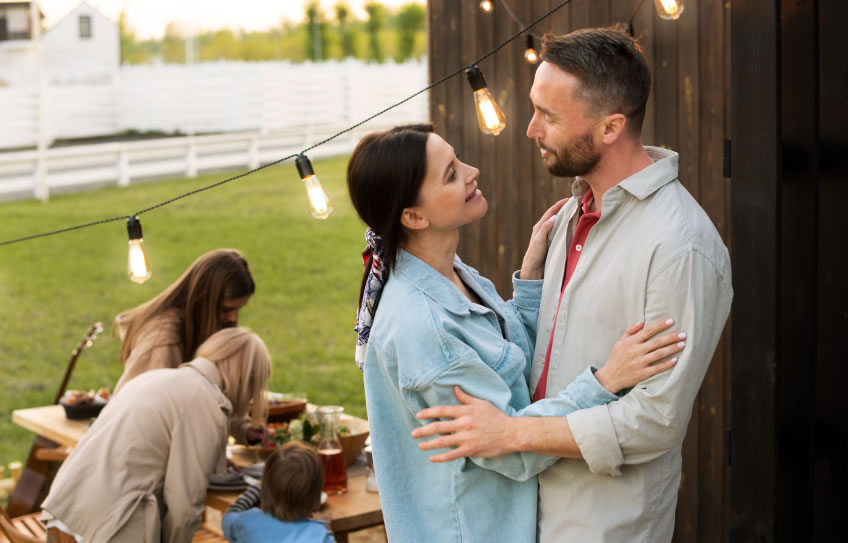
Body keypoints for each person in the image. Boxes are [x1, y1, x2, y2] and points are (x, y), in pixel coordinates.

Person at [411, 27, 734, 542]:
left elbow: (654, 420)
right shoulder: (572, 213)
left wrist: (511, 433)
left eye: (550, 116)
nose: (531, 129)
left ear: (610, 127)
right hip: (525, 514)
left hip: (600, 526)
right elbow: (550, 360)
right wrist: (534, 282)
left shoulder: (679, 247)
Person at [347, 123, 687, 542]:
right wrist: (606, 380)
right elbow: (513, 450)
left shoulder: (451, 276)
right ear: (414, 216)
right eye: (451, 174)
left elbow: (508, 368)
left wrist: (529, 283)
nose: (472, 171)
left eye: (458, 160)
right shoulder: (424, 329)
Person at [41, 327, 271, 543]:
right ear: (246, 378)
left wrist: (239, 429)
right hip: (111, 525)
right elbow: (184, 507)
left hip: (67, 511)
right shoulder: (204, 401)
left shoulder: (158, 378)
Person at [113, 248, 255, 394]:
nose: (233, 318)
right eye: (226, 309)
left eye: (238, 309)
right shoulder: (161, 340)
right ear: (203, 299)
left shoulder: (194, 324)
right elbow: (141, 403)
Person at [221, 442, 335, 543]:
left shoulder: (248, 522)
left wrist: (256, 489)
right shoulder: (319, 535)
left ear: (266, 486)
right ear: (316, 494)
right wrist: (327, 529)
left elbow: (228, 517)